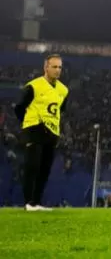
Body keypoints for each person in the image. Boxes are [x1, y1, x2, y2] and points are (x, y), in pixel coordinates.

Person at [15, 54, 69, 212]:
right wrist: (27, 123)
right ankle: (28, 203)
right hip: (34, 128)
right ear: (46, 67)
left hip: (51, 131)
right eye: (54, 66)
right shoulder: (33, 86)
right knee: (32, 165)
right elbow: (19, 107)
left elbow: (61, 111)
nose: (57, 70)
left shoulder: (63, 90)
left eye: (60, 67)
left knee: (45, 168)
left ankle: (36, 202)